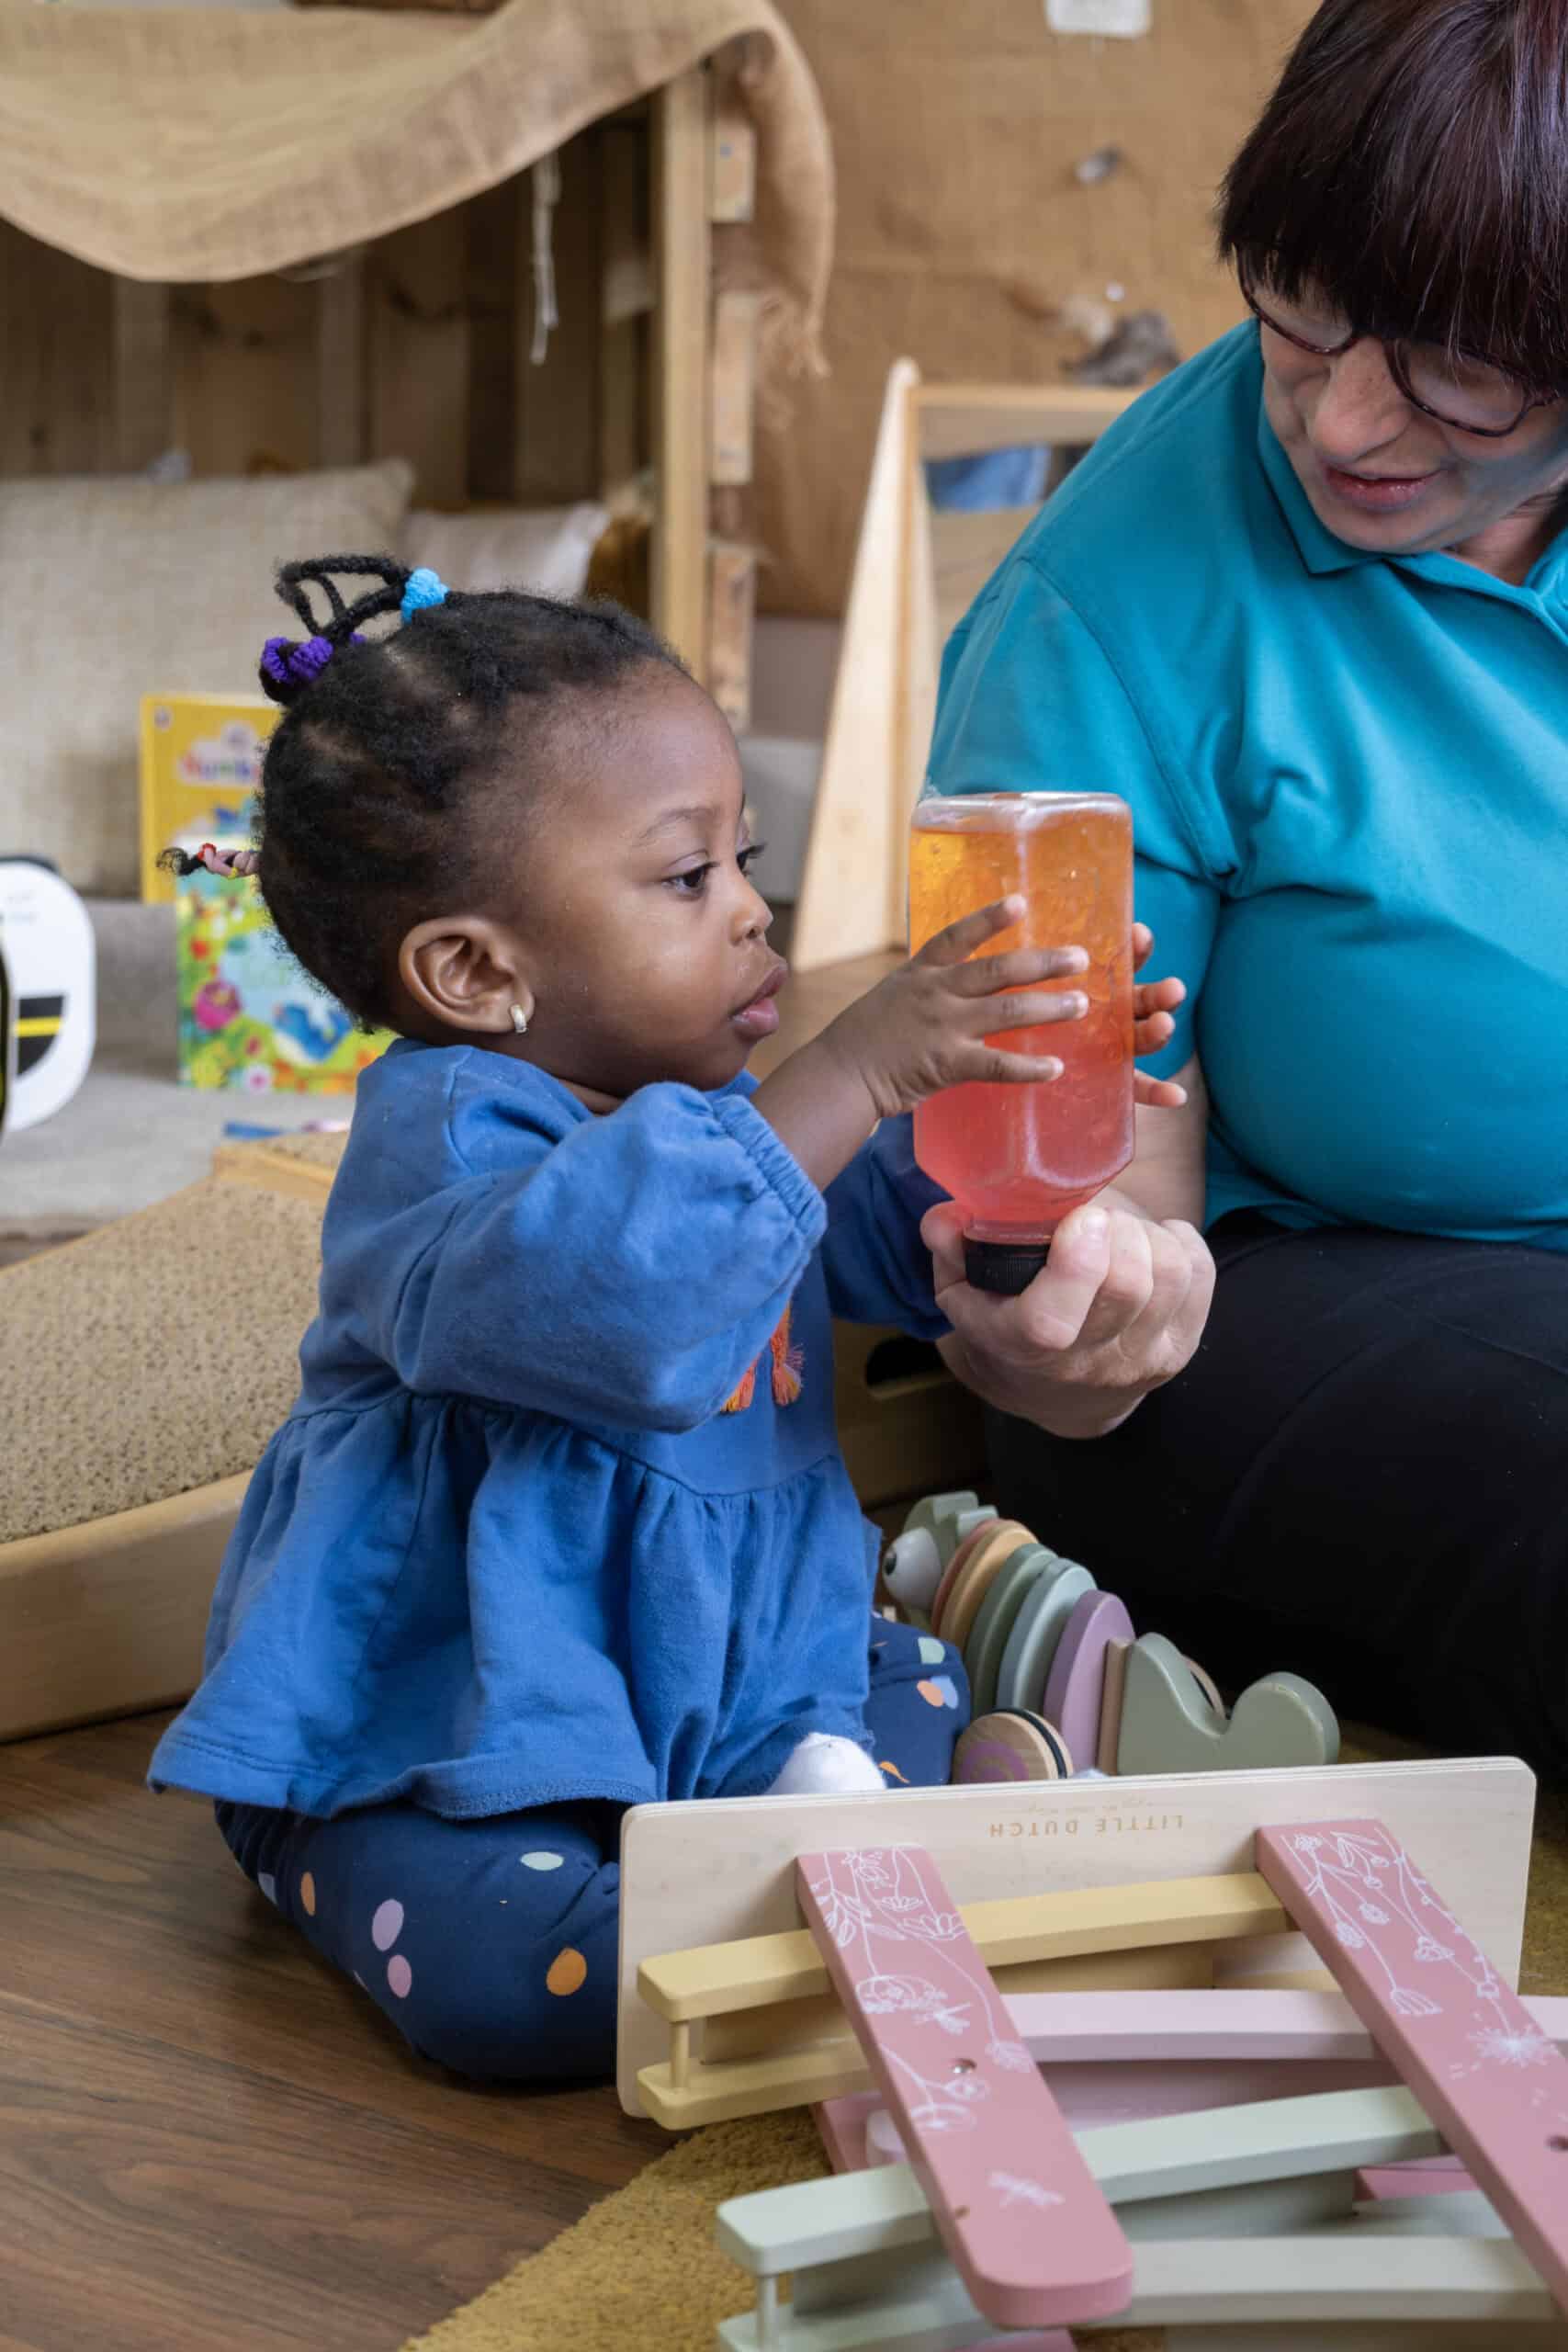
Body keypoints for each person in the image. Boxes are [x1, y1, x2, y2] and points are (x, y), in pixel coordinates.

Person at [148, 554, 1184, 2082]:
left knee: (897, 1677)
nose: (752, 919)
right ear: (474, 972)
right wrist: (854, 1072)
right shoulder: (442, 1139)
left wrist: (1028, 1138)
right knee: (503, 1983)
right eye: (688, 879)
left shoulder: (722, 1109)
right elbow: (625, 1302)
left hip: (713, 1678)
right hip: (451, 1720)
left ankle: (838, 1820)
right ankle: (785, 1883)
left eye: (745, 861)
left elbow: (904, 1239)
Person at [922, 0, 1568, 1778]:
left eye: (1459, 369)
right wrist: (1083, 1311)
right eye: (1297, 310)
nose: (1344, 414)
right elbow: (1090, 1207)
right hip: (1279, 1296)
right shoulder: (1110, 607)